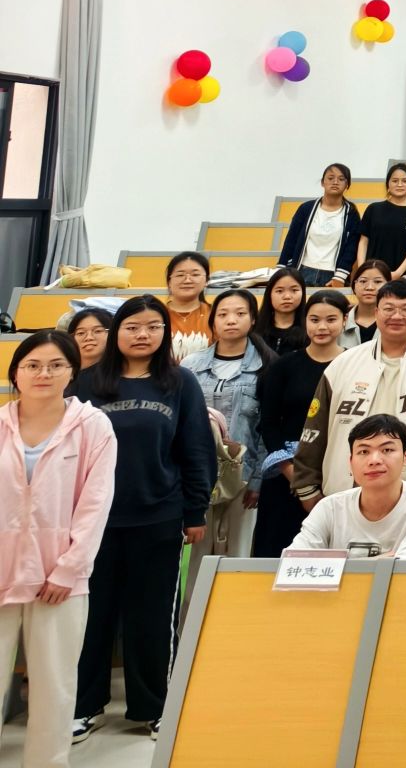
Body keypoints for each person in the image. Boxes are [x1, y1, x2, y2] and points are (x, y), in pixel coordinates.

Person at [68, 297, 213, 742]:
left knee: (152, 619)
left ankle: (154, 708)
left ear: (164, 333)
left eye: (153, 326)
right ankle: (83, 707)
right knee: (91, 617)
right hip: (93, 523)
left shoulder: (180, 382)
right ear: (117, 333)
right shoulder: (88, 382)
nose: (142, 334)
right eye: (132, 326)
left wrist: (195, 509)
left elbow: (195, 449)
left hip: (159, 518)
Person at [1, 331, 114, 768]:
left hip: (59, 579)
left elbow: (95, 503)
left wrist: (70, 568)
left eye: (55, 365)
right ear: (16, 373)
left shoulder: (92, 426)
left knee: (54, 684)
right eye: (32, 365)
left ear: (73, 372)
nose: (43, 374)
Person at [294, 278, 406, 501]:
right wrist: (307, 491)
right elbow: (314, 431)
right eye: (389, 309)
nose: (396, 316)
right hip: (344, 497)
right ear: (376, 312)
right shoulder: (342, 365)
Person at [251, 290, 349, 556]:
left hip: (339, 473)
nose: (322, 327)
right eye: (314, 319)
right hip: (287, 475)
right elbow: (268, 424)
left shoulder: (355, 363)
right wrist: (294, 475)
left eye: (331, 319)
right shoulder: (283, 366)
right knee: (275, 553)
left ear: (345, 320)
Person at [182, 289, 271, 559]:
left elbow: (266, 429)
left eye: (240, 313)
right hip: (197, 475)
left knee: (238, 553)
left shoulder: (267, 366)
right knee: (196, 554)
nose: (231, 320)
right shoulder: (190, 366)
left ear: (253, 319)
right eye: (222, 314)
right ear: (213, 321)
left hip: (244, 476)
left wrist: (258, 480)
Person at [286, 414, 406, 557]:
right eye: (364, 452)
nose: (374, 460)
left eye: (387, 450)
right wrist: (378, 560)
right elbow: (292, 561)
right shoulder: (329, 507)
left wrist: (337, 564)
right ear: (351, 461)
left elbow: (405, 567)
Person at [279, 163, 362, 287]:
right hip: (301, 271)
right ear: (323, 182)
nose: (335, 182)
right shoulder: (306, 208)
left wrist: (340, 276)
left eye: (341, 179)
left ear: (347, 185)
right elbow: (291, 240)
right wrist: (282, 270)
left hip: (331, 275)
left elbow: (351, 247)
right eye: (330, 178)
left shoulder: (351, 213)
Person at [359, 163, 406, 278]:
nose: (399, 184)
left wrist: (398, 273)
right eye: (395, 181)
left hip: (400, 276)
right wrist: (362, 269)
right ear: (388, 184)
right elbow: (363, 241)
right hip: (371, 274)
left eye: (405, 181)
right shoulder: (373, 209)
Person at [160, 252, 214, 363]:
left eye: (195, 275)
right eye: (180, 275)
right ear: (169, 281)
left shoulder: (216, 314)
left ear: (206, 280)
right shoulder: (156, 315)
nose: (187, 280)